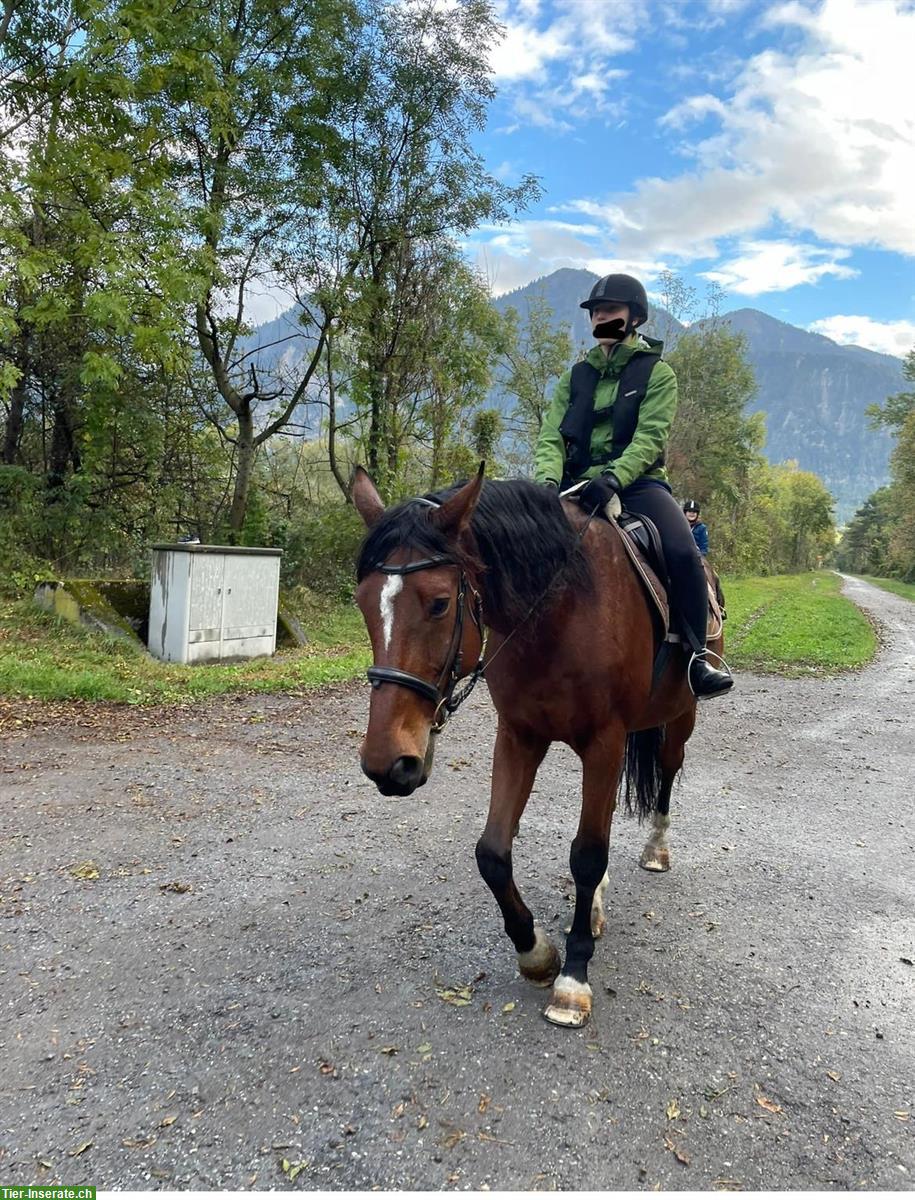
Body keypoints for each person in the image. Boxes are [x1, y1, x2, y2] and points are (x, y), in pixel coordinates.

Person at [534, 273, 732, 698]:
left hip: (638, 484)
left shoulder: (658, 374)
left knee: (682, 550)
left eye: (611, 311)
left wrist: (613, 477)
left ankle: (698, 658)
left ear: (634, 317)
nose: (602, 317)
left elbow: (650, 438)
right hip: (573, 485)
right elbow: (551, 435)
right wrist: (547, 483)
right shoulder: (574, 378)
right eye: (596, 312)